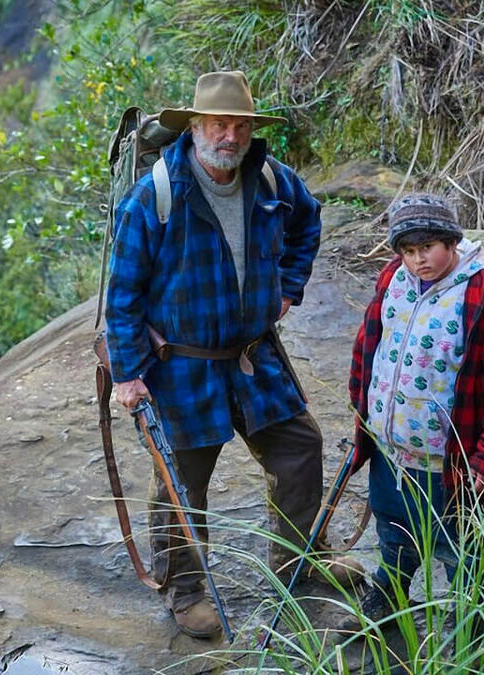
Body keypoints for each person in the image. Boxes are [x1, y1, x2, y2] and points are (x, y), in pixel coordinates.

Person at [105, 71, 358, 639]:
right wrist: (127, 373)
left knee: (299, 447)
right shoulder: (157, 195)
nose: (230, 135)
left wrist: (289, 286)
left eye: (240, 124)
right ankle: (186, 589)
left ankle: (298, 558)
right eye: (219, 123)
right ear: (194, 126)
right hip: (183, 362)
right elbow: (122, 295)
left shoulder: (269, 178)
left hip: (251, 352)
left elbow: (308, 221)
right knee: (182, 480)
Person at [340, 193, 484, 638]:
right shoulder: (393, 279)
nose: (418, 260)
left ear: (450, 240)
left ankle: (475, 635)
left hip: (455, 468)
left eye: (428, 247)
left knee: (464, 557)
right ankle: (387, 606)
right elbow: (369, 347)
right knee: (393, 535)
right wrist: (363, 413)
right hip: (392, 455)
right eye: (408, 250)